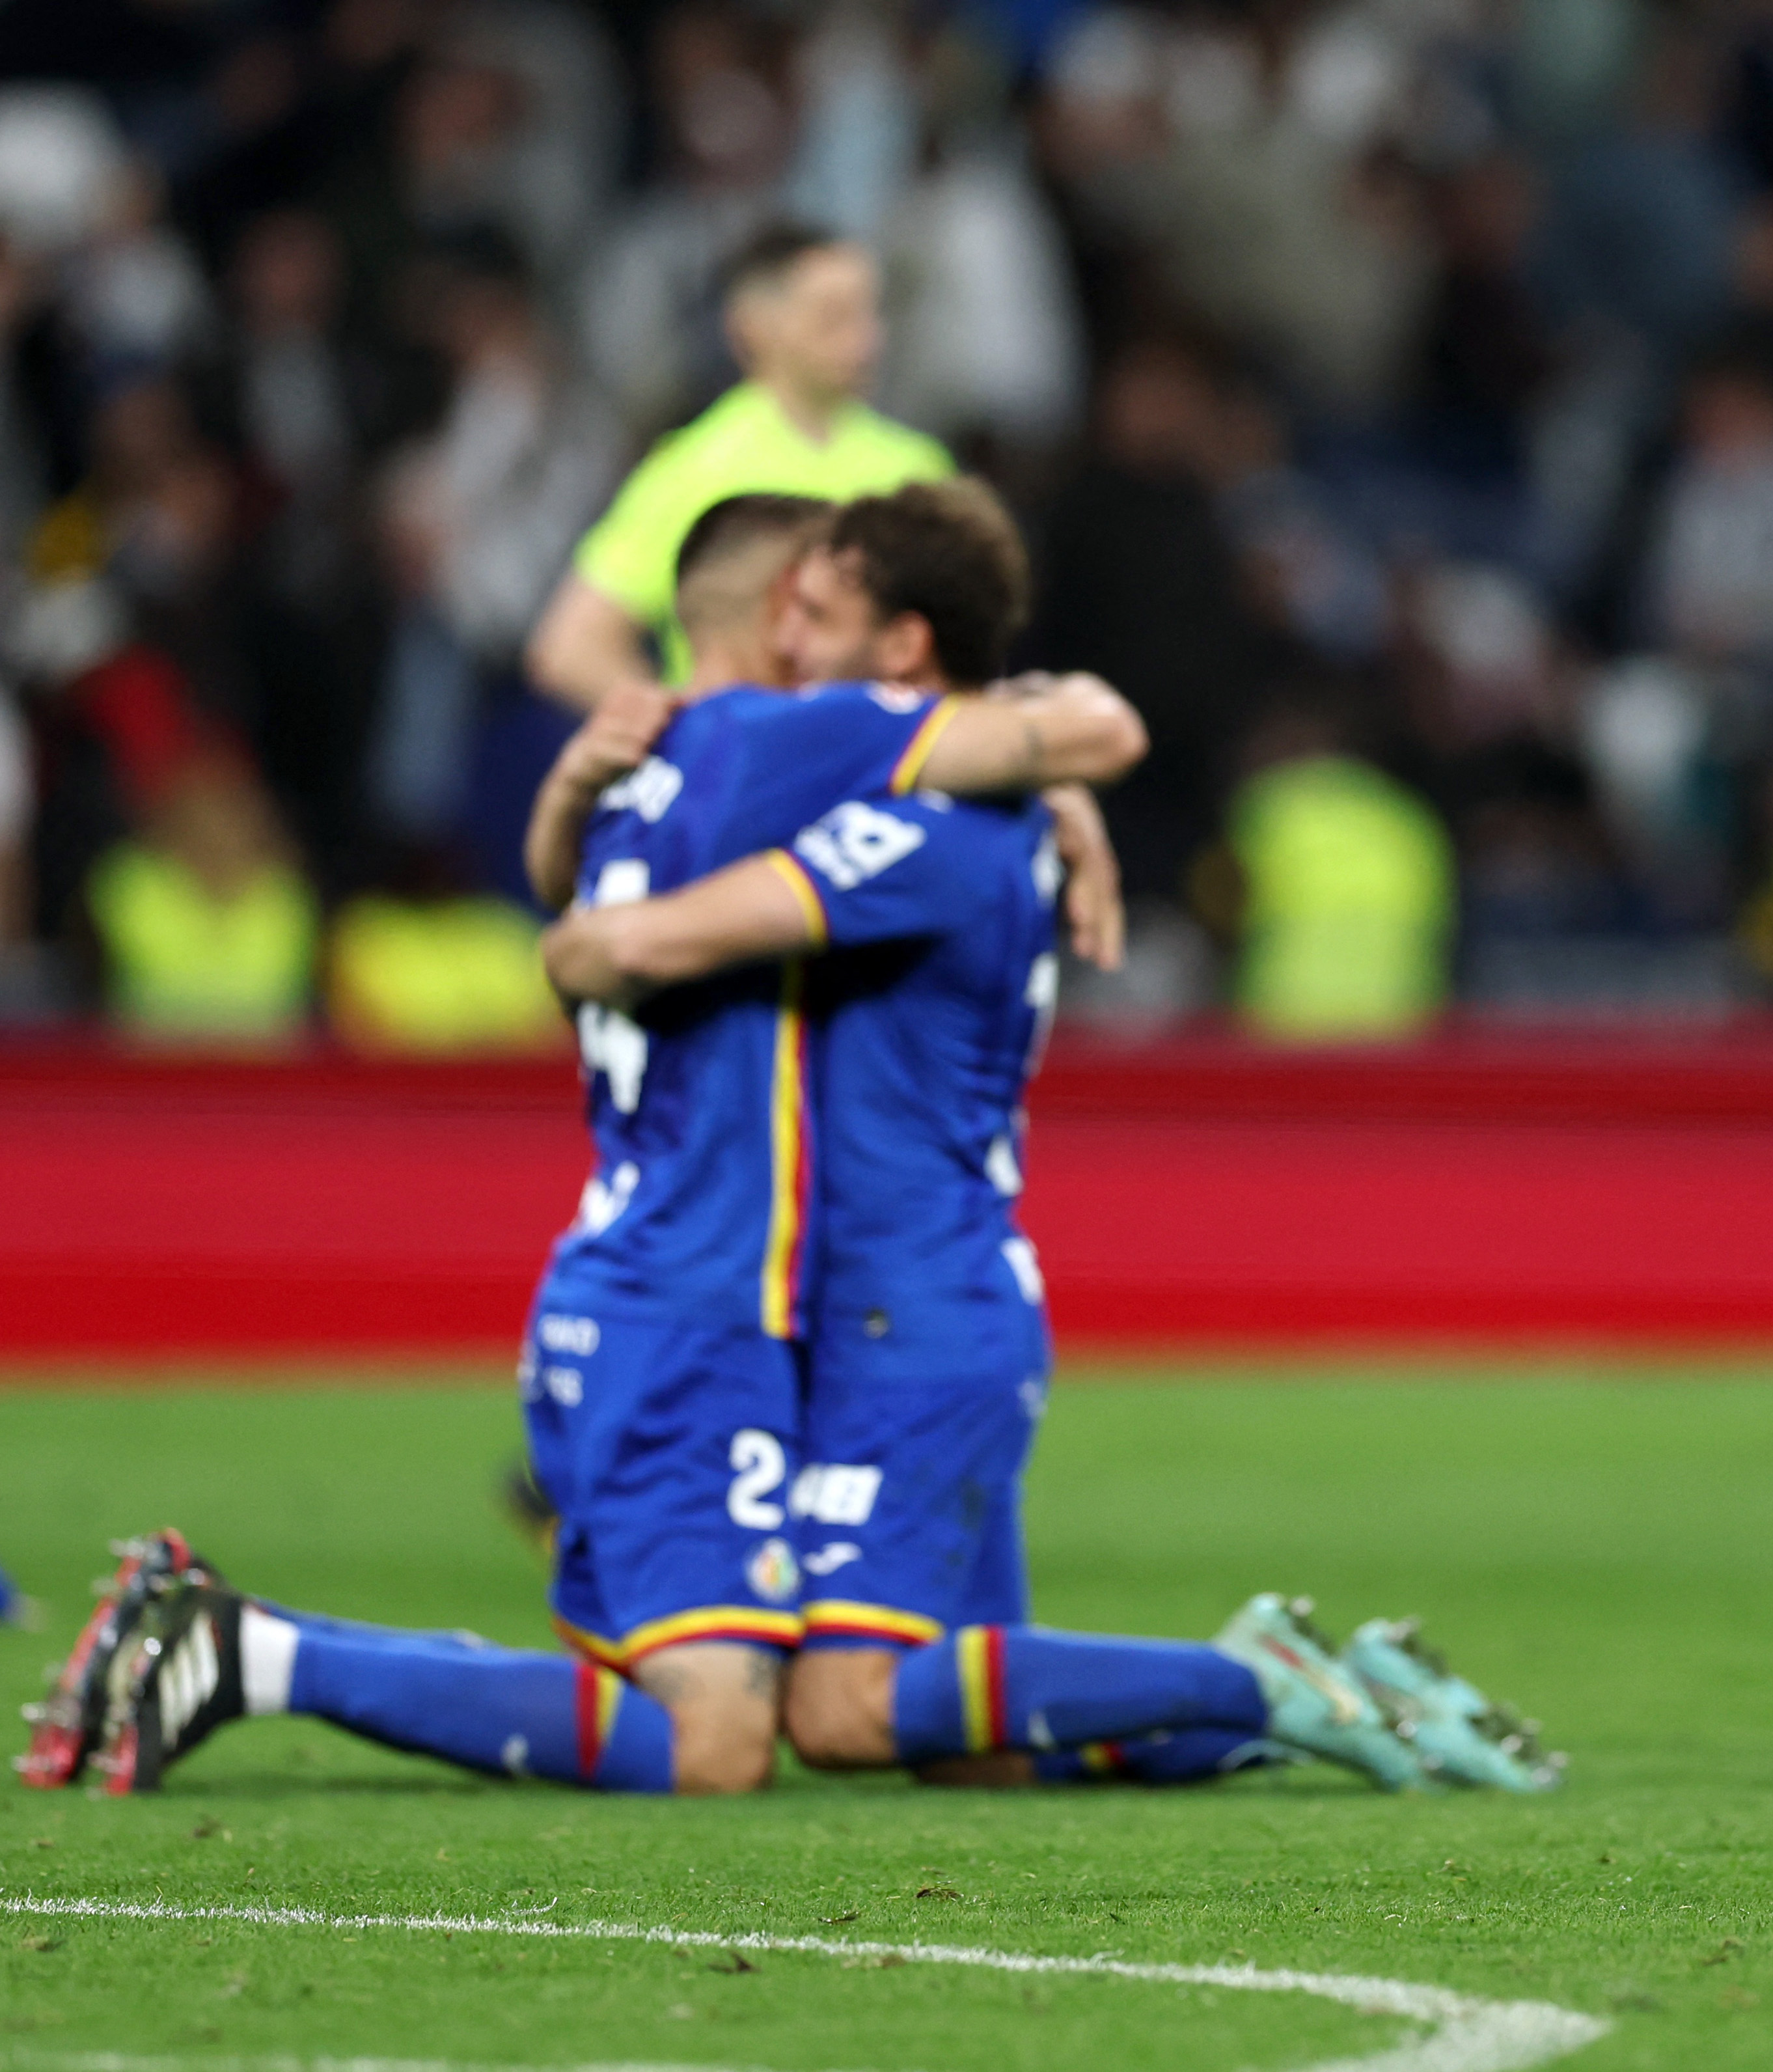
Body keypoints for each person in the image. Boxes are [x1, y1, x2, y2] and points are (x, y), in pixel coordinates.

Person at [27, 492, 1149, 1797]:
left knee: (942, 1727)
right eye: (821, 604)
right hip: (697, 1294)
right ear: (788, 613)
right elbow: (1095, 722)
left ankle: (1254, 1703)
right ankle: (254, 1652)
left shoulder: (645, 761)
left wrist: (567, 819)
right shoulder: (793, 742)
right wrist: (1044, 772)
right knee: (724, 1736)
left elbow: (574, 891)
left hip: (644, 1265)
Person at [539, 482, 1556, 1793]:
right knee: (981, 1753)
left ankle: (1261, 1680)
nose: (796, 644)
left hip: (903, 1307)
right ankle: (1294, 1709)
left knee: (842, 1712)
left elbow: (650, 932)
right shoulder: (954, 793)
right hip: (915, 1292)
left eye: (823, 614)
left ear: (901, 649)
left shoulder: (904, 811)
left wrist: (590, 940)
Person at [522, 225, 952, 715]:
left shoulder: (919, 467)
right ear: (753, 326)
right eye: (833, 317)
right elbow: (570, 647)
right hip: (753, 778)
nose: (865, 338)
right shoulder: (695, 468)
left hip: (886, 772)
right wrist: (687, 733)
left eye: (868, 312)